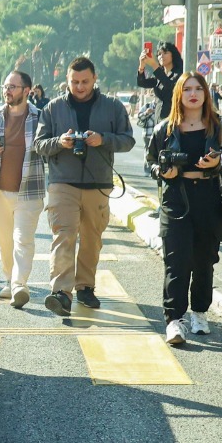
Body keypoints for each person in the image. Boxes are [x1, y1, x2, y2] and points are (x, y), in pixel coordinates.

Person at [33, 56, 135, 315]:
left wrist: (103, 139)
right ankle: (61, 292)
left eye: (85, 82)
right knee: (63, 235)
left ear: (94, 79)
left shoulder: (112, 106)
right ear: (67, 80)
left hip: (98, 183)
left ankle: (85, 287)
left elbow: (127, 141)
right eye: (74, 82)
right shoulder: (53, 108)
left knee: (92, 238)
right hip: (62, 182)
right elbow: (39, 145)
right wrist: (60, 142)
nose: (79, 87)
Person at [146, 72, 222, 346]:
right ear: (178, 95)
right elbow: (152, 162)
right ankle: (174, 319)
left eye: (198, 89)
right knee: (176, 262)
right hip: (176, 199)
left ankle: (200, 313)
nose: (193, 94)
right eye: (187, 89)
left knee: (205, 261)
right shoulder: (165, 129)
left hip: (209, 199)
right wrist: (163, 172)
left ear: (206, 94)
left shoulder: (220, 126)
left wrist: (217, 164)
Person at [0, 71, 44, 307]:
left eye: (13, 87)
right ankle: (9, 278)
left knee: (23, 240)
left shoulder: (39, 118)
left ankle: (19, 285)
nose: (8, 91)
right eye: (6, 86)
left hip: (29, 191)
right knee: (4, 241)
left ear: (27, 90)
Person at [137, 42, 183, 112]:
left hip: (173, 117)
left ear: (173, 55)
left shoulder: (179, 74)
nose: (161, 56)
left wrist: (153, 64)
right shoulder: (158, 75)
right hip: (159, 118)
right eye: (159, 54)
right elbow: (141, 83)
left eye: (165, 53)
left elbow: (170, 86)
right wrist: (141, 66)